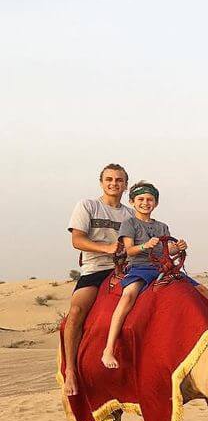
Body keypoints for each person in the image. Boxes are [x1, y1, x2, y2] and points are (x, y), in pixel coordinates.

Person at [101, 181, 208, 369]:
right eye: (141, 199)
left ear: (156, 203)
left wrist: (177, 248)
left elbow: (167, 250)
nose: (145, 203)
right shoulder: (129, 224)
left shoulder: (162, 226)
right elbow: (129, 250)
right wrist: (145, 246)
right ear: (132, 202)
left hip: (163, 268)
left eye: (149, 199)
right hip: (140, 268)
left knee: (201, 289)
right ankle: (109, 348)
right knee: (128, 296)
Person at [63, 163, 134, 395]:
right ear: (101, 183)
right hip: (95, 270)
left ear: (126, 185)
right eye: (109, 179)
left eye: (119, 180)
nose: (114, 183)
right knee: (76, 311)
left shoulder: (130, 214)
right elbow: (77, 240)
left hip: (125, 270)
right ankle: (70, 371)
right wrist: (107, 248)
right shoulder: (88, 206)